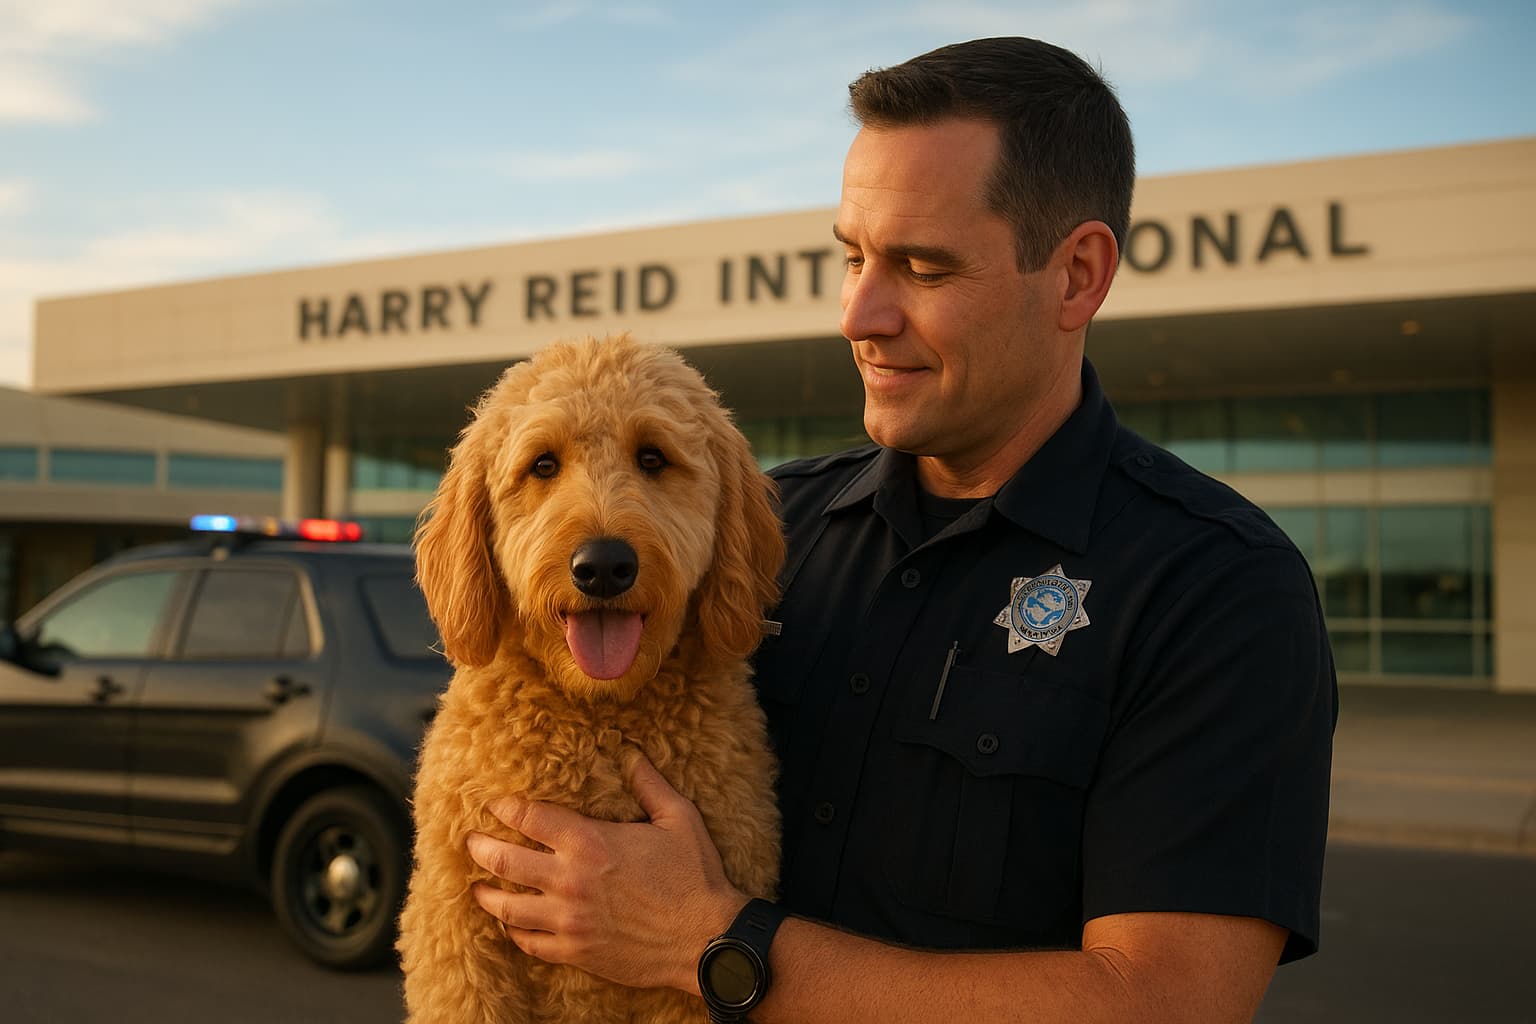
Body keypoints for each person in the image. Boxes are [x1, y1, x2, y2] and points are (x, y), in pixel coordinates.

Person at [466, 36, 1336, 1023]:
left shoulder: (1217, 590)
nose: (859, 313)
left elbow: (1164, 1003)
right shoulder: (766, 531)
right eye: (852, 256)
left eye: (921, 267)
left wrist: (709, 944)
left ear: (1077, 275)